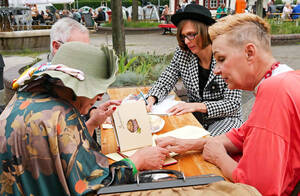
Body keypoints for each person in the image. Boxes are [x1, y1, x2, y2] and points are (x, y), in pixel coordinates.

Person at [0, 42, 169, 195]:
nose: (100, 96)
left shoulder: (25, 98)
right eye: (97, 89)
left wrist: (91, 123)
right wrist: (137, 161)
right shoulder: (63, 114)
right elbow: (96, 188)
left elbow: (57, 149)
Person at [157, 13, 299, 196]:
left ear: (249, 53)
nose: (216, 70)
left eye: (222, 59)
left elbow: (258, 188)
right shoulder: (286, 78)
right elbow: (243, 134)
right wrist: (190, 144)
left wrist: (220, 158)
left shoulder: (274, 92)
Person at [147, 4, 242, 136]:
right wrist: (152, 98)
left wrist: (197, 106)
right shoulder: (183, 53)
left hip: (225, 120)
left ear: (206, 30)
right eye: (183, 36)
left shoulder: (227, 55)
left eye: (191, 34)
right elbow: (167, 77)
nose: (186, 41)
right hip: (194, 117)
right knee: (164, 137)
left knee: (204, 146)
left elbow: (233, 104)